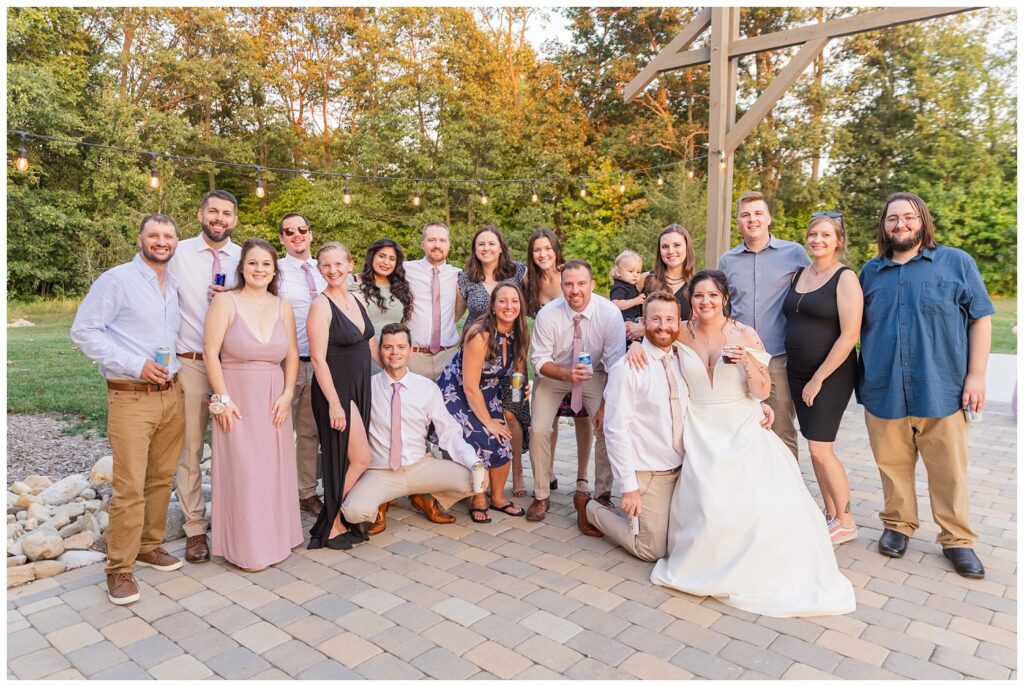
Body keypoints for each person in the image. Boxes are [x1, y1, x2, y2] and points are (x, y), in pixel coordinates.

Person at [631, 270, 855, 618]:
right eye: (698, 296)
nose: (705, 302)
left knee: (749, 503)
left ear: (724, 299)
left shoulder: (744, 334)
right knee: (704, 500)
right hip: (698, 427)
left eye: (712, 296)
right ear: (690, 300)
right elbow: (650, 336)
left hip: (739, 424)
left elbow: (763, 391)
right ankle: (703, 560)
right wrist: (634, 347)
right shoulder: (681, 333)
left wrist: (748, 362)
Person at [859, 192, 993, 579]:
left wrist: (977, 375)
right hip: (884, 386)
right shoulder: (870, 272)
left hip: (942, 385)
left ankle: (957, 540)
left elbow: (980, 318)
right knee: (892, 465)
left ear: (923, 221)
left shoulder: (956, 262)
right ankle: (898, 525)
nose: (900, 224)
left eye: (908, 217)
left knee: (949, 469)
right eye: (892, 219)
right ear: (883, 227)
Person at [589, 291, 774, 555]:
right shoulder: (629, 368)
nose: (663, 326)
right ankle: (591, 509)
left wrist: (758, 405)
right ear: (644, 321)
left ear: (680, 324)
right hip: (649, 472)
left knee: (694, 537)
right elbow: (615, 430)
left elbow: (714, 391)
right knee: (651, 550)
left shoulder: (682, 357)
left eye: (669, 320)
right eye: (655, 319)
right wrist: (629, 489)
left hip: (687, 466)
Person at [71, 214, 186, 605]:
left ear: (176, 241)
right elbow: (83, 331)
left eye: (168, 236)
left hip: (173, 393)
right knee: (129, 486)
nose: (161, 241)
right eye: (153, 235)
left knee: (160, 478)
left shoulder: (175, 282)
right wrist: (135, 364)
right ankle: (119, 569)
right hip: (131, 394)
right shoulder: (116, 280)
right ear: (140, 239)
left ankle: (149, 545)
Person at [204, 238, 303, 571]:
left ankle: (276, 540)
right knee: (244, 472)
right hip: (237, 396)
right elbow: (210, 353)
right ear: (242, 267)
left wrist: (288, 393)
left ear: (274, 270)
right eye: (253, 263)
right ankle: (246, 549)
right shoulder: (226, 303)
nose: (259, 270)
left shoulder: (282, 306)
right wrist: (223, 398)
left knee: (272, 470)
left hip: (274, 395)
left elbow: (291, 355)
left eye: (266, 264)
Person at [341, 323, 488, 536]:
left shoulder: (426, 388)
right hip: (381, 470)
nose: (394, 353)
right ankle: (381, 503)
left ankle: (422, 496)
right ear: (380, 351)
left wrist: (474, 462)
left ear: (410, 350)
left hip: (420, 466)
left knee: (474, 481)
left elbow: (449, 432)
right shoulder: (367, 388)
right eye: (388, 347)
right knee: (353, 512)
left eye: (401, 347)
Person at [168, 190, 242, 564]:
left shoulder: (246, 257)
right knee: (192, 446)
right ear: (200, 214)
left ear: (234, 220)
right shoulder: (177, 252)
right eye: (213, 211)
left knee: (240, 443)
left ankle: (238, 518)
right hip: (193, 362)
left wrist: (234, 295)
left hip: (235, 364)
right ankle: (195, 529)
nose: (219, 218)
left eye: (226, 214)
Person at [783, 212, 862, 546]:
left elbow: (849, 335)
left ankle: (846, 520)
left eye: (826, 235)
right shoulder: (800, 274)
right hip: (798, 371)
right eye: (813, 234)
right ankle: (830, 514)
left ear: (838, 240)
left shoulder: (845, 278)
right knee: (814, 447)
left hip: (831, 374)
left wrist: (818, 378)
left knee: (820, 448)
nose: (818, 240)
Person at [527, 259, 624, 526]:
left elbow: (616, 364)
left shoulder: (609, 314)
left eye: (581, 284)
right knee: (538, 429)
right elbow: (539, 360)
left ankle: (602, 495)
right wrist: (566, 374)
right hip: (555, 372)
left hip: (594, 373)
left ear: (592, 284)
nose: (575, 290)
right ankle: (541, 493)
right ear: (562, 285)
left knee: (607, 427)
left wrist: (605, 405)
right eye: (568, 284)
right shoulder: (548, 313)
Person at [719, 192, 810, 458]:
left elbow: (813, 289)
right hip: (738, 356)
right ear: (738, 222)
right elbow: (723, 307)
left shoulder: (794, 253)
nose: (752, 219)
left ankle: (789, 494)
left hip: (778, 356)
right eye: (746, 215)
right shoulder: (728, 260)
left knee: (781, 429)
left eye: (758, 213)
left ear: (769, 218)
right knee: (740, 426)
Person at [437, 282, 529, 523]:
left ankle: (497, 498)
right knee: (484, 437)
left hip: (488, 391)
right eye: (503, 301)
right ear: (493, 305)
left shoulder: (519, 333)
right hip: (458, 392)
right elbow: (469, 385)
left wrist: (521, 394)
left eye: (514, 301)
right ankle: (478, 497)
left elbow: (517, 374)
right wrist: (488, 422)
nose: (509, 306)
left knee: (504, 438)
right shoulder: (480, 334)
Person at [306, 242, 378, 549]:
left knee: (351, 459)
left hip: (359, 386)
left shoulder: (355, 299)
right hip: (336, 391)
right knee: (356, 458)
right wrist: (335, 403)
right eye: (326, 266)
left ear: (350, 265)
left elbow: (368, 344)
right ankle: (332, 523)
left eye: (339, 264)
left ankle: (336, 520)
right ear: (319, 270)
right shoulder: (320, 306)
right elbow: (319, 360)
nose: (333, 270)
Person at [520, 228, 595, 498]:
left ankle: (583, 475)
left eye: (547, 249)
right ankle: (547, 471)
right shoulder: (528, 281)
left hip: (579, 354)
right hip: (550, 359)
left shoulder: (568, 275)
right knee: (545, 418)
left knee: (582, 417)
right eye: (537, 250)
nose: (543, 254)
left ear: (556, 250)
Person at [458, 225, 531, 499]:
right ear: (475, 250)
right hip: (478, 355)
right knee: (481, 418)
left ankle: (517, 471)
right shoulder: (467, 279)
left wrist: (520, 383)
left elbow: (522, 328)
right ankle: (480, 476)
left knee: (511, 410)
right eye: (481, 244)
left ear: (501, 246)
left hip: (506, 359)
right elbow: (453, 313)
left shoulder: (517, 273)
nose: (486, 248)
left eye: (492, 243)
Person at [276, 213, 327, 519]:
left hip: (319, 362)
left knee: (309, 432)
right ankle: (274, 491)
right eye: (289, 231)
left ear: (310, 234)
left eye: (302, 230)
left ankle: (306, 492)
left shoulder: (325, 269)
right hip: (285, 362)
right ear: (281, 238)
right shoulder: (275, 271)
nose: (297, 235)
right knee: (278, 430)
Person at [404, 221, 465, 380]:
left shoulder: (459, 275)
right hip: (413, 357)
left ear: (449, 245)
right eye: (431, 240)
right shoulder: (404, 270)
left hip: (448, 355)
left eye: (442, 240)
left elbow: (457, 312)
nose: (437, 245)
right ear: (422, 244)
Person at [351, 238, 414, 375]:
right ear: (372, 256)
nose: (386, 262)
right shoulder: (353, 283)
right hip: (362, 357)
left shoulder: (400, 288)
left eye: (392, 258)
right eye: (381, 256)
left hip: (393, 357)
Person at [627, 224, 696, 342]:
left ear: (687, 248)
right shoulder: (645, 279)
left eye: (677, 245)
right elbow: (621, 309)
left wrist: (645, 329)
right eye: (665, 247)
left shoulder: (696, 286)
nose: (671, 251)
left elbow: (698, 329)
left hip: (681, 352)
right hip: (644, 353)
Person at [609, 250, 645, 332]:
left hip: (633, 322)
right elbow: (615, 304)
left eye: (638, 272)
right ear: (618, 272)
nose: (635, 275)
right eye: (631, 271)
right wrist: (635, 301)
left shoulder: (631, 286)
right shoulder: (619, 287)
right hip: (622, 325)